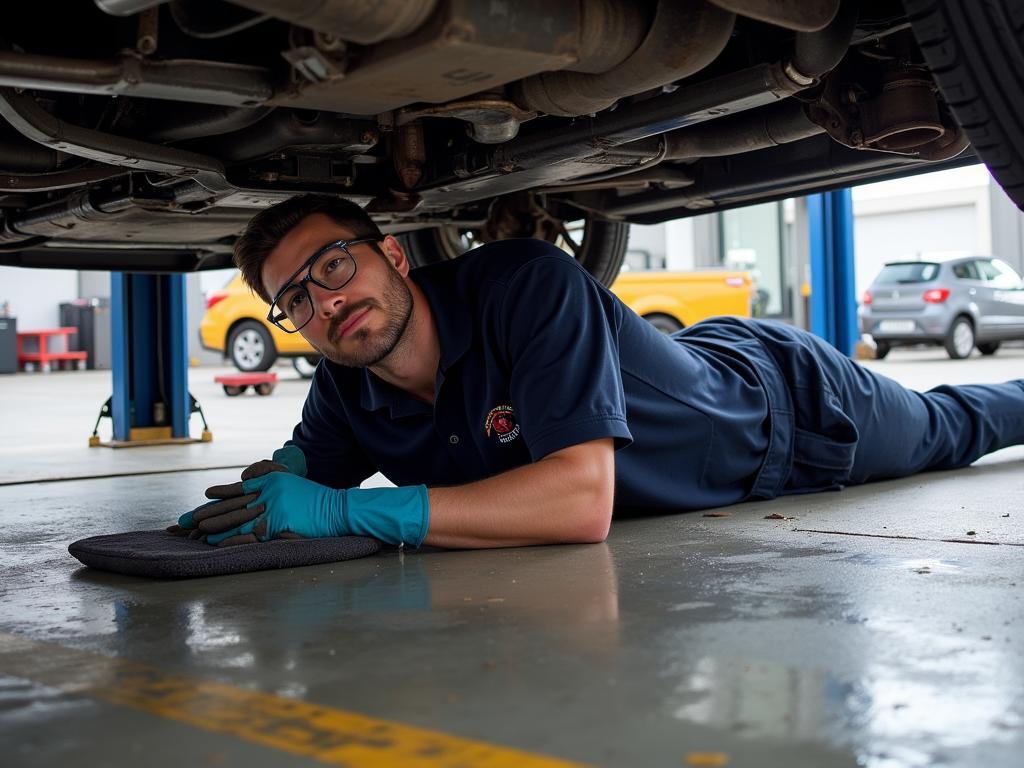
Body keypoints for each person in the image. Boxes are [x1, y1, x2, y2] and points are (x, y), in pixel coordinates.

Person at [177, 195, 1024, 549]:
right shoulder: (344, 384)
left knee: (958, 427)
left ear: (392, 253)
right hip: (724, 425)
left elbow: (583, 503)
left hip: (794, 409)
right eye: (295, 300)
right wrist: (275, 488)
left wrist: (347, 510)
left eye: (332, 266)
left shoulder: (523, 286)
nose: (326, 303)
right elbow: (299, 479)